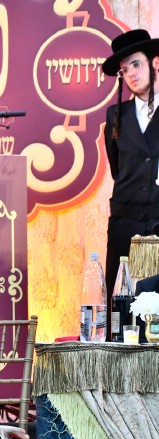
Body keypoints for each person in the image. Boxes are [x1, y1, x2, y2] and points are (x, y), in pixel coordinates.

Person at [102, 29, 159, 315]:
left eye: (136, 64)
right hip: (125, 225)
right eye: (125, 70)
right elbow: (117, 168)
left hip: (158, 222)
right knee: (121, 309)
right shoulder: (116, 115)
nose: (131, 74)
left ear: (154, 63)